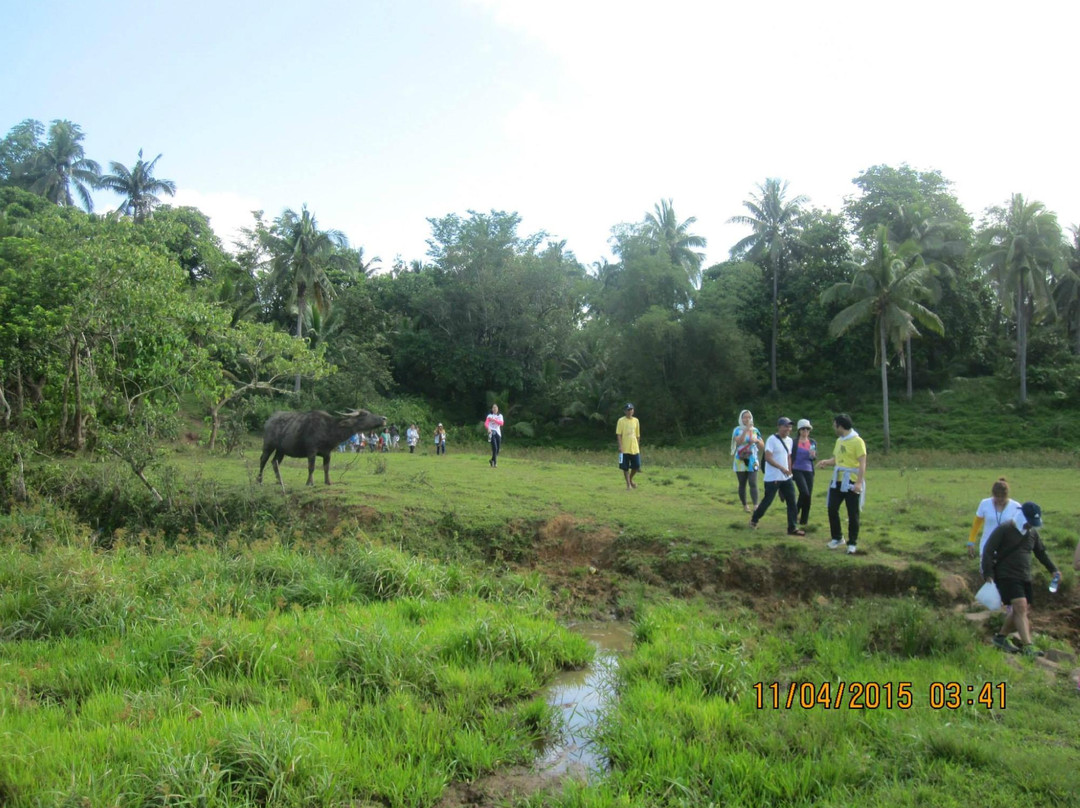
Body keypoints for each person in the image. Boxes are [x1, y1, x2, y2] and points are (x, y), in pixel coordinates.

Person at [981, 502, 1059, 657]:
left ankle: (1001, 637)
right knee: (1020, 605)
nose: (1031, 525)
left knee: (1021, 609)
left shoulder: (1032, 534)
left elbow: (1041, 553)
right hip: (1006, 575)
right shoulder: (1004, 529)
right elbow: (988, 551)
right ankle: (1028, 646)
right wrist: (988, 574)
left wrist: (1054, 570)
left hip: (1025, 576)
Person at [816, 413, 866, 555]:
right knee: (832, 508)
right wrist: (827, 461)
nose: (833, 427)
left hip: (851, 480)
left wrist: (858, 482)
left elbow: (863, 463)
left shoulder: (858, 441)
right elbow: (837, 459)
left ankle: (852, 543)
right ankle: (837, 537)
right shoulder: (839, 440)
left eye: (835, 425)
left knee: (852, 513)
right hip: (837, 480)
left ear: (840, 425)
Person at [749, 417, 804, 535]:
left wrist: (789, 469)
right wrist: (781, 468)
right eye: (785, 426)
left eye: (789, 426)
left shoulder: (789, 441)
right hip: (773, 477)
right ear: (779, 427)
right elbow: (768, 457)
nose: (788, 429)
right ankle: (754, 519)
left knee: (792, 501)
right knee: (767, 501)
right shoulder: (772, 440)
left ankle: (792, 527)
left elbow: (788, 456)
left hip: (786, 477)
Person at [967, 477, 1022, 559]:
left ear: (1007, 495)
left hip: (1006, 548)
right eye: (997, 497)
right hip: (987, 545)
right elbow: (977, 524)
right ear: (993, 494)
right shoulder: (984, 503)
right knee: (986, 570)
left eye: (1002, 497)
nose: (999, 500)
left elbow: (1020, 528)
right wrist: (971, 541)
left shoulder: (1016, 506)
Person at [730, 409, 765, 513]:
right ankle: (745, 505)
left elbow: (763, 446)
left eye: (749, 417)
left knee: (753, 482)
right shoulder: (737, 430)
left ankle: (756, 505)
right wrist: (746, 430)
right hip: (740, 459)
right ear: (741, 419)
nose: (747, 419)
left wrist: (757, 440)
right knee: (742, 483)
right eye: (745, 417)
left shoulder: (755, 430)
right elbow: (739, 442)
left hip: (752, 458)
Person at [791, 419, 816, 526]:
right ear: (799, 430)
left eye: (807, 429)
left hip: (809, 470)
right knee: (804, 492)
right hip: (796, 469)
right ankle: (795, 513)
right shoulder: (794, 442)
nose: (805, 431)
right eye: (803, 429)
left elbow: (813, 458)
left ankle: (804, 520)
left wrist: (813, 455)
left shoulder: (812, 442)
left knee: (808, 496)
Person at [616, 403, 641, 490]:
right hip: (624, 448)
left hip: (634, 447)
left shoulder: (636, 421)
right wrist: (620, 446)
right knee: (624, 466)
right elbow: (619, 434)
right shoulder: (621, 421)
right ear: (625, 411)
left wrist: (637, 445)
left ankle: (630, 479)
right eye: (628, 410)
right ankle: (628, 484)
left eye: (631, 410)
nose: (630, 411)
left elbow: (638, 435)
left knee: (636, 465)